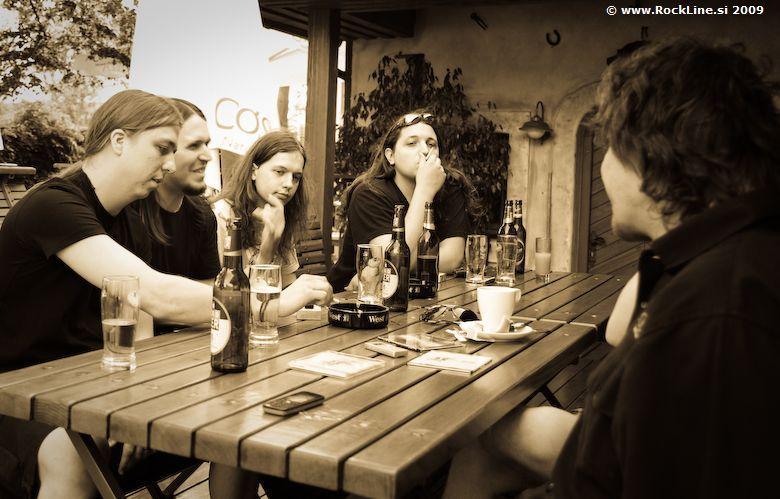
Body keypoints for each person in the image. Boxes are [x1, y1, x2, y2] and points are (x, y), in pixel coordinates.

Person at [444, 37, 780, 499]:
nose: (604, 166)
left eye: (611, 148)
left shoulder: (716, 307)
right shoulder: (717, 258)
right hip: (603, 458)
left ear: (648, 156)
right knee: (486, 441)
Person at [0, 89, 215, 498]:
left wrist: (137, 401)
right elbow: (159, 296)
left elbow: (142, 320)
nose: (171, 164)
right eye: (162, 148)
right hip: (16, 390)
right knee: (73, 454)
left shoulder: (130, 218)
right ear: (119, 140)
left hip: (86, 383)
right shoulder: (54, 204)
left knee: (224, 407)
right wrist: (267, 303)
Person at [327, 110, 472, 292]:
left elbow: (453, 257)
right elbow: (395, 263)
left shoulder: (449, 188)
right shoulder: (368, 194)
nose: (425, 151)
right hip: (354, 299)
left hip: (423, 296)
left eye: (431, 144)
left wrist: (400, 266)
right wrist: (425, 189)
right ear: (390, 156)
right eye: (412, 143)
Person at [212, 130, 332, 316]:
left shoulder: (280, 214)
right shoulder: (222, 216)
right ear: (254, 171)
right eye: (279, 172)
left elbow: (286, 286)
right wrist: (268, 248)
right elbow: (223, 299)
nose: (289, 184)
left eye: (296, 177)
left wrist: (312, 292)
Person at [142, 98, 221, 334]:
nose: (207, 156)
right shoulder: (130, 210)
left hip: (183, 342)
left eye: (207, 144)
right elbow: (144, 300)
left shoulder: (202, 214)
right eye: (194, 145)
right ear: (164, 150)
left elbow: (209, 289)